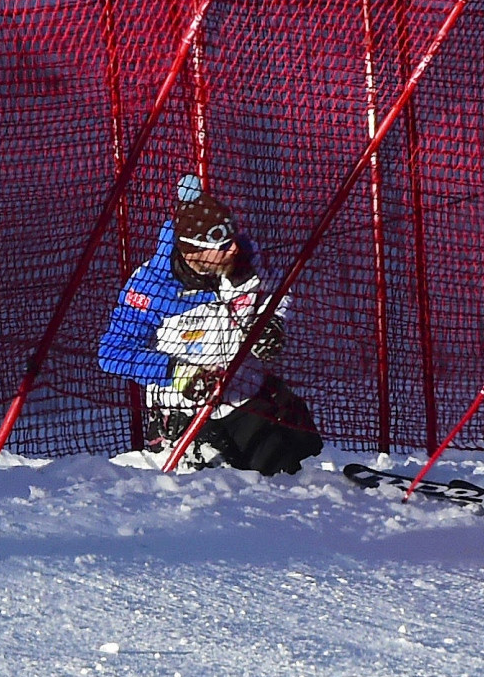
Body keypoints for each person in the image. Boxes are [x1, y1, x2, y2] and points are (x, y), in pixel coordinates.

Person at [98, 174, 322, 476]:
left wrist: (273, 324)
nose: (232, 250)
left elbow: (278, 294)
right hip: (187, 415)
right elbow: (112, 352)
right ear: (192, 252)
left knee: (294, 474)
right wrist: (178, 373)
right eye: (221, 246)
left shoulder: (247, 260)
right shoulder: (151, 287)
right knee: (221, 492)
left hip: (245, 400)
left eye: (232, 240)